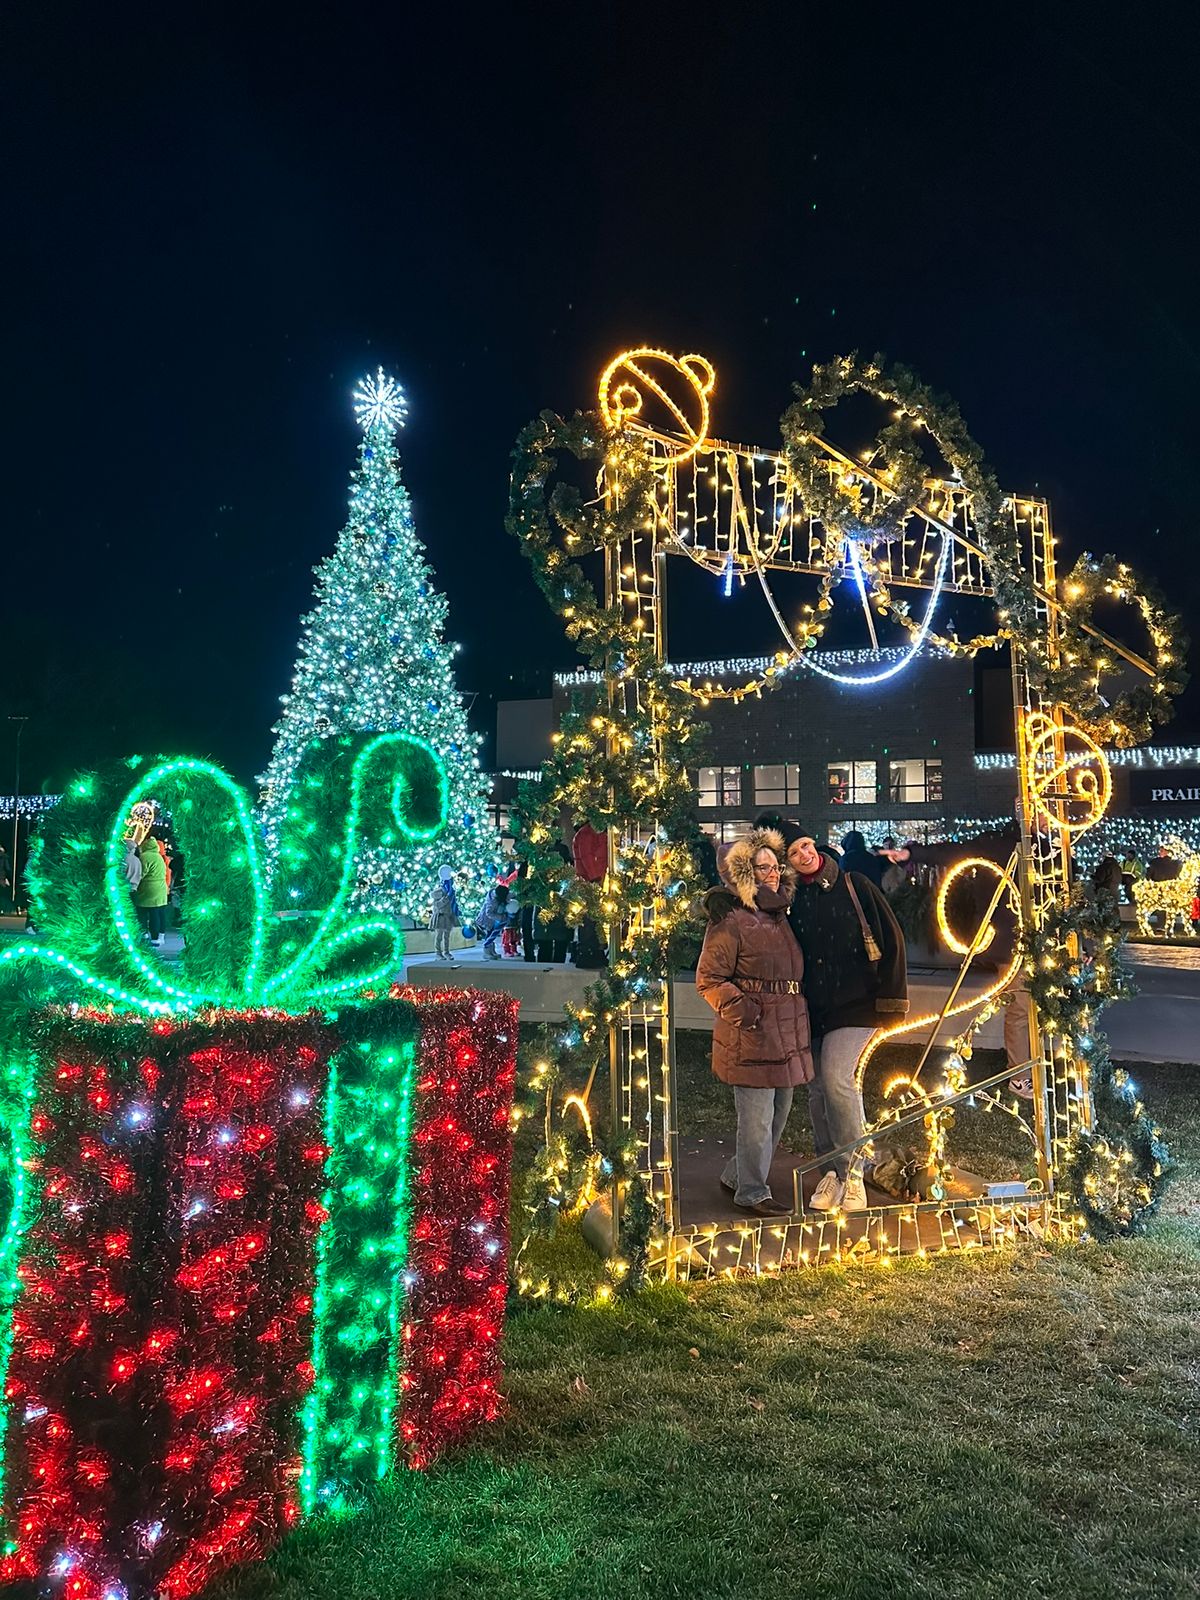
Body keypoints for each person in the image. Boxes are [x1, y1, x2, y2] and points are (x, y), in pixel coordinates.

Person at [776, 822, 908, 1213]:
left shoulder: (854, 885)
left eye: (805, 844)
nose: (804, 854)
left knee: (836, 1078)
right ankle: (830, 1172)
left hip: (858, 1003)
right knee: (817, 1089)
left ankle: (853, 1172)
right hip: (815, 1009)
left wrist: (893, 999)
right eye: (793, 854)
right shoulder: (793, 900)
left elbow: (891, 937)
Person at [696, 828, 814, 1218]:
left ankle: (737, 1173)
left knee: (778, 1114)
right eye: (762, 867)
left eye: (775, 866)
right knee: (758, 1120)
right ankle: (751, 1191)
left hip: (784, 1033)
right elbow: (709, 978)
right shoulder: (731, 919)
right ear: (745, 873)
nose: (773, 873)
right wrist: (746, 1013)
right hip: (753, 1035)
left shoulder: (778, 914)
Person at [134, 827, 169, 947]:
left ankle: (144, 934)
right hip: (161, 888)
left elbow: (141, 873)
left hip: (149, 889)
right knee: (156, 913)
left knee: (143, 912)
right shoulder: (159, 857)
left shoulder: (145, 857)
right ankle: (157, 938)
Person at [429, 865, 460, 964]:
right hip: (440, 916)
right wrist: (446, 898)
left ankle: (446, 952)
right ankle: (438, 953)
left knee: (447, 936)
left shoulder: (452, 891)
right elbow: (436, 905)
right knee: (439, 936)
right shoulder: (439, 891)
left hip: (448, 916)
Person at [476, 880, 510, 960]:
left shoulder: (497, 896)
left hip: (492, 922)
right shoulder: (492, 901)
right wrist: (501, 918)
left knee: (491, 935)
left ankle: (492, 951)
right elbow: (489, 913)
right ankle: (486, 952)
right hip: (485, 922)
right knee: (489, 936)